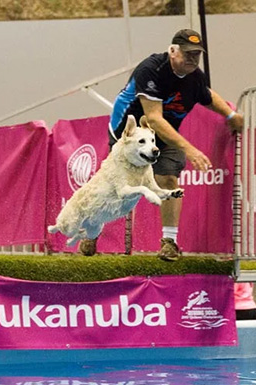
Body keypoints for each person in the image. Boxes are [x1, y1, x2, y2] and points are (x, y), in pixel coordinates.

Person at [78, 29, 244, 260]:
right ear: (172, 51)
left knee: (168, 179)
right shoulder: (152, 70)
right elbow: (154, 118)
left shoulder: (195, 76)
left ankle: (170, 242)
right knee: (116, 190)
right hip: (128, 136)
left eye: (197, 54)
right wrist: (191, 149)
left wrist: (230, 115)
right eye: (187, 53)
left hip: (163, 136)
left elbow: (205, 95)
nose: (192, 59)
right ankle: (93, 228)